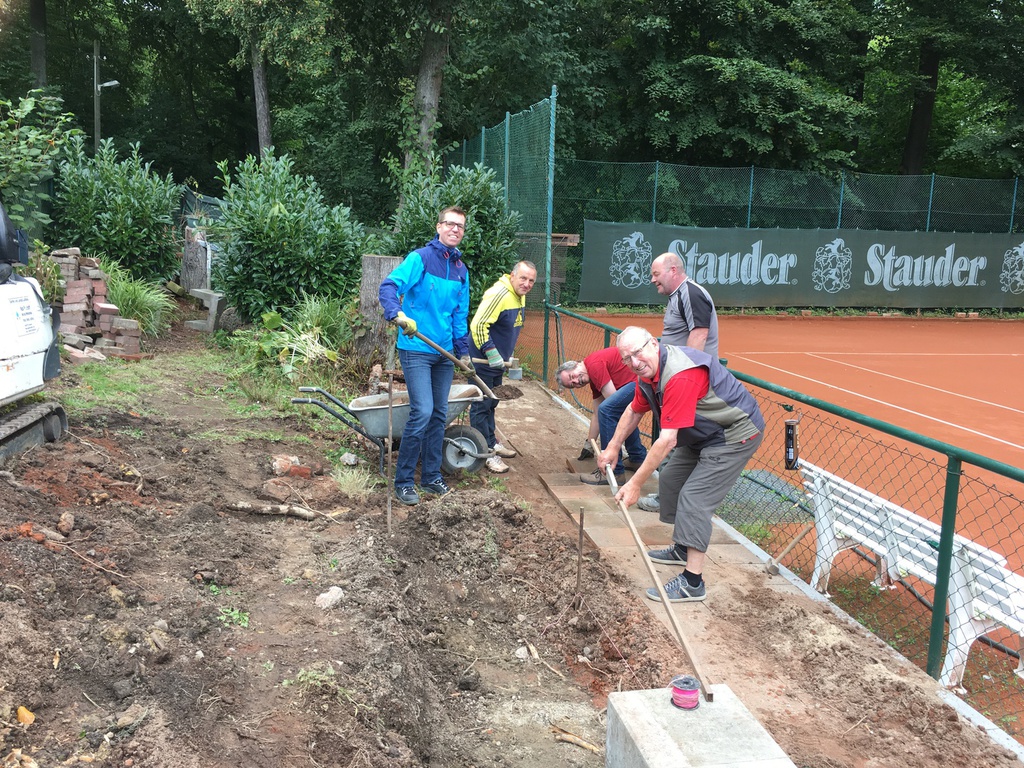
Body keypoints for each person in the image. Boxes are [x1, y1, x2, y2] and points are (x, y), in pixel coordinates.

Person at [597, 326, 763, 603]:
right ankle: (684, 548)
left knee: (695, 498)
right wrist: (613, 446)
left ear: (653, 344)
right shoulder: (648, 374)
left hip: (732, 433)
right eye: (627, 359)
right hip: (702, 433)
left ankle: (693, 582)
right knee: (670, 478)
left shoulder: (680, 374)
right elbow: (634, 410)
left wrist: (635, 484)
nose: (634, 362)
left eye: (637, 353)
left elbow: (666, 441)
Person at [379, 206, 472, 506]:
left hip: (443, 353)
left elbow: (459, 315)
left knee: (439, 414)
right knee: (423, 411)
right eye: (450, 224)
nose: (455, 229)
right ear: (439, 227)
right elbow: (389, 286)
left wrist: (464, 353)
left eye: (460, 226)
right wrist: (398, 314)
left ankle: (431, 477)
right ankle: (404, 481)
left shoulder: (461, 271)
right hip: (416, 348)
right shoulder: (420, 258)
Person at [639, 252, 720, 512]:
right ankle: (675, 496)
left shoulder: (691, 293)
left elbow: (699, 335)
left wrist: (684, 377)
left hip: (688, 385)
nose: (652, 280)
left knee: (676, 438)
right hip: (678, 382)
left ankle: (668, 499)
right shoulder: (678, 295)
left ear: (673, 270)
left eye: (656, 274)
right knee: (680, 439)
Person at [469, 260, 538, 473]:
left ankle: (491, 441)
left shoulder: (519, 295)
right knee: (481, 406)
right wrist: (491, 351)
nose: (527, 284)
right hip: (482, 360)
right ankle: (484, 452)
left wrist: (506, 353)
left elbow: (508, 327)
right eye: (523, 278)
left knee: (492, 402)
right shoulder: (499, 294)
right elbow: (478, 325)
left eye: (531, 281)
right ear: (512, 276)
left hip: (498, 361)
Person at [555, 347, 646, 484]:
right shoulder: (593, 376)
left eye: (572, 376)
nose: (576, 382)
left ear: (576, 364)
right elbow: (597, 413)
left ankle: (614, 473)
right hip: (639, 382)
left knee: (609, 410)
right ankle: (637, 458)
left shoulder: (593, 365)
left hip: (642, 381)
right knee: (611, 411)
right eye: (572, 385)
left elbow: (611, 406)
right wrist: (589, 444)